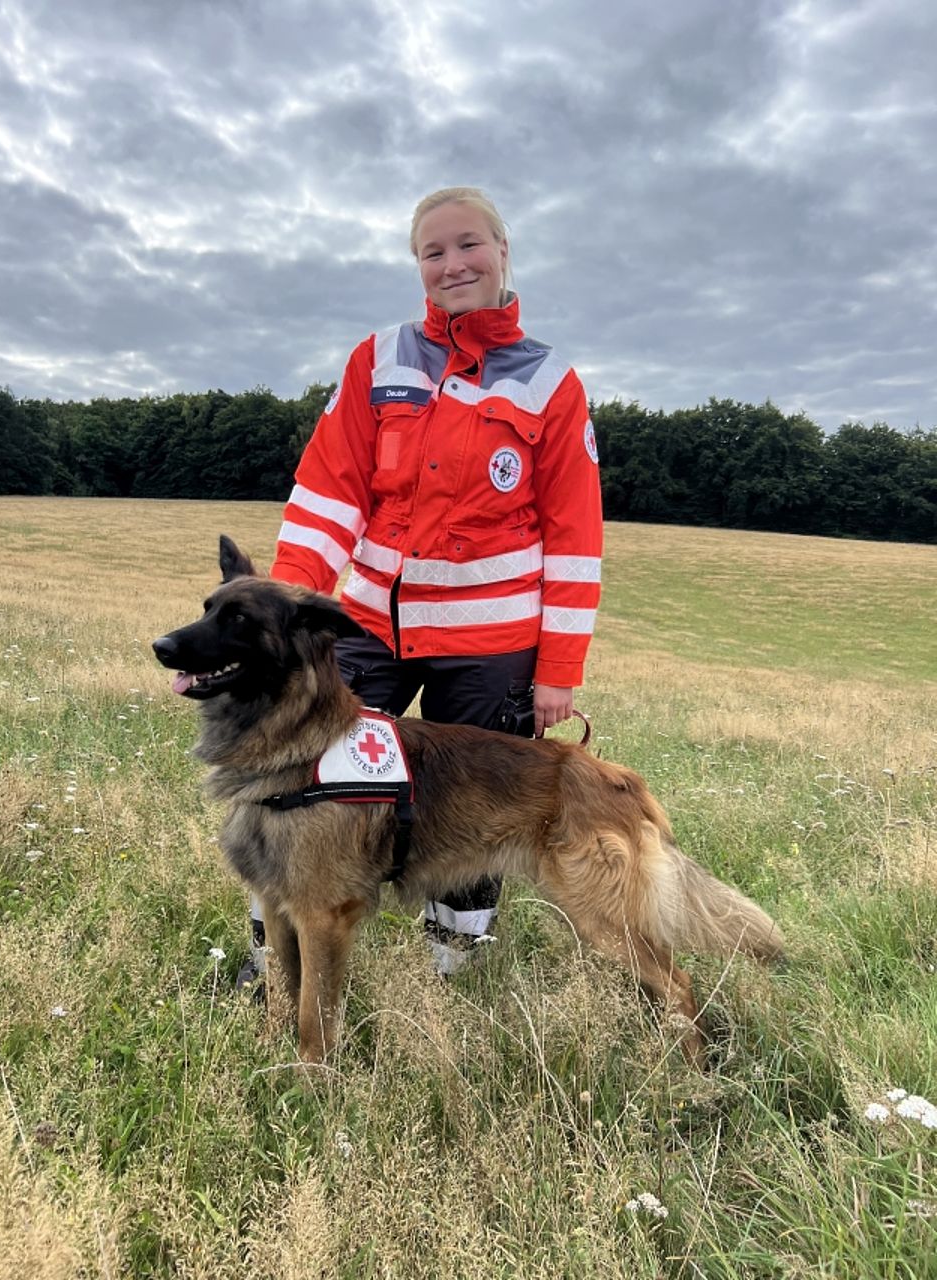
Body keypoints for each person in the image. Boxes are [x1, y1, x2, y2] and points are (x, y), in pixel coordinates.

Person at [236, 185, 603, 987]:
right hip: (369, 626)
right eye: (432, 252)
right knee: (301, 786)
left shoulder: (552, 383)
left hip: (492, 648)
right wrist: (285, 618)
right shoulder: (380, 359)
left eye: (468, 245)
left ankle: (454, 974)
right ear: (418, 267)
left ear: (504, 253)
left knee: (477, 811)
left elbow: (575, 540)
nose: (452, 264)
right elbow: (330, 493)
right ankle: (273, 966)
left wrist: (558, 674)